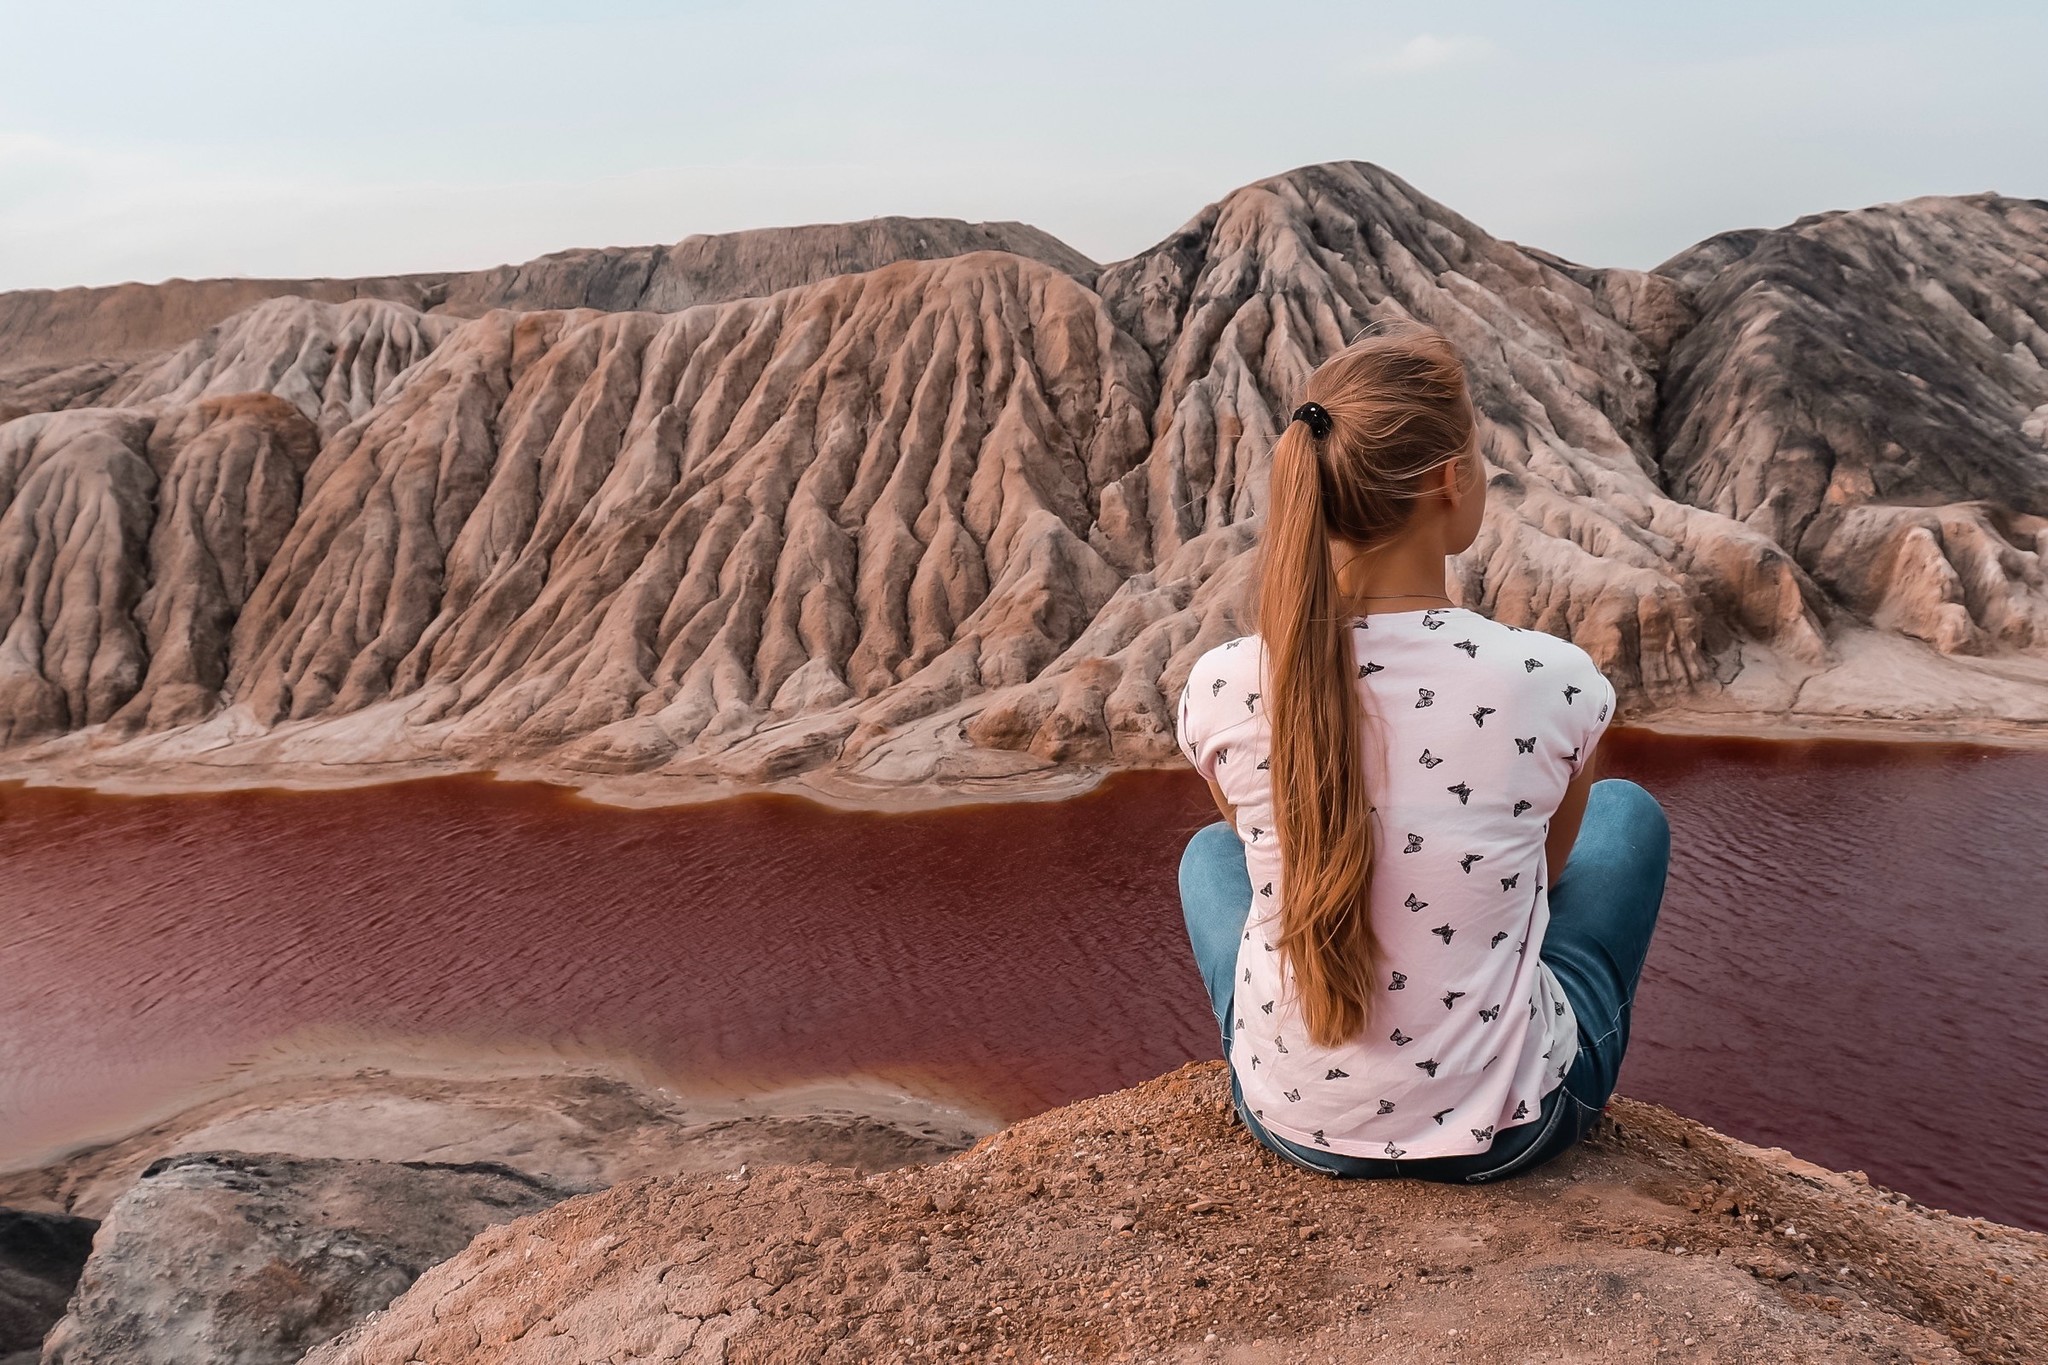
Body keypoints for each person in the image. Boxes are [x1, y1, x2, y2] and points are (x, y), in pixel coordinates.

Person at [1174, 320, 1671, 1181]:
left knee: (1212, 855)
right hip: (1509, 1130)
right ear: (1450, 479)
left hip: (1289, 1117)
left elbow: (1278, 853)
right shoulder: (1549, 679)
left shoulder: (1224, 682)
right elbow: (1540, 891)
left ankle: (1308, 1065)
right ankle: (1490, 1065)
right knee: (1628, 814)